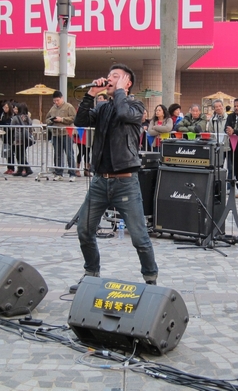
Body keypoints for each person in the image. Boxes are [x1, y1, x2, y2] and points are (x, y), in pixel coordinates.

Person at [70, 64, 158, 293]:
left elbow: (123, 113)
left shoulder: (136, 106)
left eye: (116, 77)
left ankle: (150, 279)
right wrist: (91, 94)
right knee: (84, 230)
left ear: (127, 83)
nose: (109, 79)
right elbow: (80, 121)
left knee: (139, 237)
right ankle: (91, 273)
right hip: (100, 181)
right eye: (109, 76)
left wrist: (118, 91)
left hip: (125, 182)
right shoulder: (103, 107)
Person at [46, 90, 77, 182]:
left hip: (66, 133)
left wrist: (62, 119)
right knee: (57, 154)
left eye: (58, 100)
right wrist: (51, 120)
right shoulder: (53, 108)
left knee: (69, 154)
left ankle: (72, 173)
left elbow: (73, 118)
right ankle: (59, 173)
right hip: (56, 134)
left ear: (62, 98)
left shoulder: (69, 107)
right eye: (54, 101)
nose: (56, 102)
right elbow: (47, 118)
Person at [10, 102, 33, 177]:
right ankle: (20, 170)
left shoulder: (16, 118)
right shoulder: (28, 117)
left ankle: (28, 169)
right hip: (26, 138)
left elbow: (11, 127)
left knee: (19, 155)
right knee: (22, 154)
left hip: (18, 138)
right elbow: (30, 126)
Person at [0, 102, 15, 174]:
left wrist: (2, 122)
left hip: (11, 136)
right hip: (5, 135)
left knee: (11, 153)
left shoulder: (12, 116)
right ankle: (8, 167)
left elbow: (9, 124)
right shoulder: (3, 115)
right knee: (6, 152)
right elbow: (2, 123)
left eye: (6, 107)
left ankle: (12, 168)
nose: (5, 109)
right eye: (4, 107)